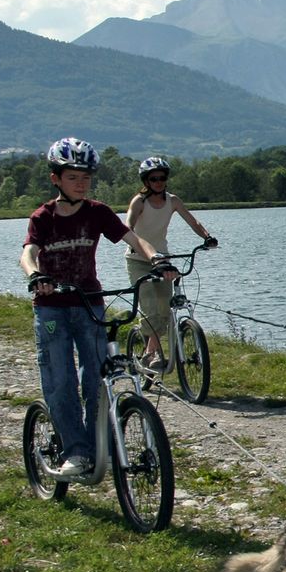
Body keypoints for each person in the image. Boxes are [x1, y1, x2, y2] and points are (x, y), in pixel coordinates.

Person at [20, 138, 174, 480]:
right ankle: (75, 451)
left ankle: (96, 445)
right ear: (56, 179)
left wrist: (156, 259)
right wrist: (35, 275)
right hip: (52, 309)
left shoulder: (97, 212)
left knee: (97, 380)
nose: (81, 183)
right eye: (73, 177)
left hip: (89, 304)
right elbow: (28, 252)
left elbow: (134, 239)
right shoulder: (43, 217)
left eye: (86, 177)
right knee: (61, 381)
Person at [124, 156, 217, 370]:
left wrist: (207, 237)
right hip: (138, 259)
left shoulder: (172, 200)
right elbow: (127, 224)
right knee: (150, 309)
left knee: (166, 309)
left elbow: (193, 221)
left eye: (162, 178)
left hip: (163, 259)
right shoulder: (140, 201)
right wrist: (130, 239)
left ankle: (150, 352)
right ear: (146, 180)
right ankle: (152, 352)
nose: (158, 182)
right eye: (154, 178)